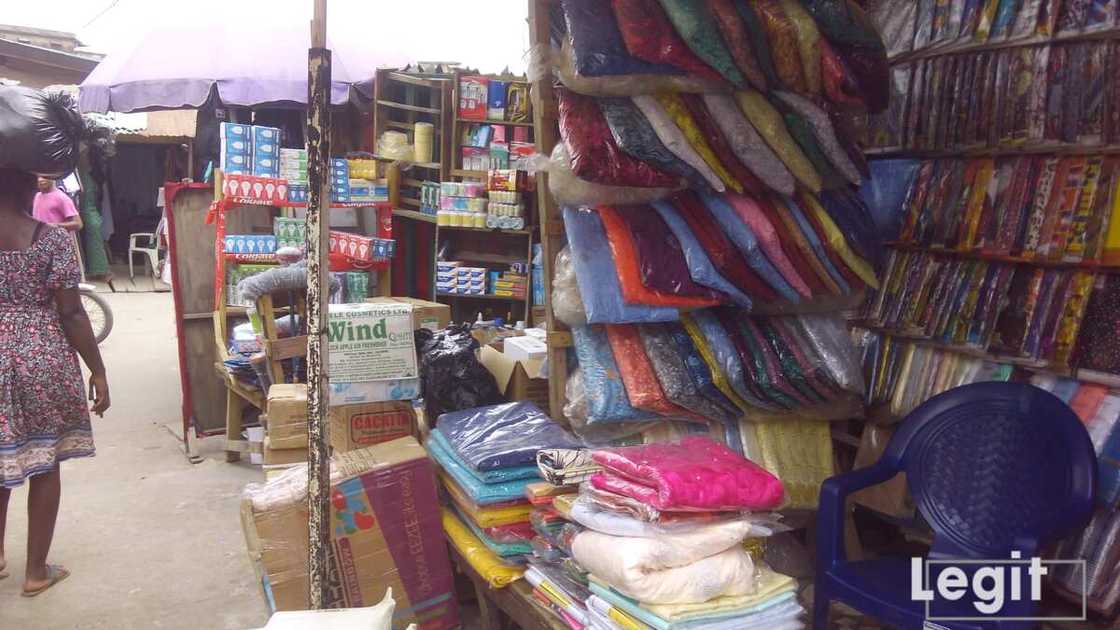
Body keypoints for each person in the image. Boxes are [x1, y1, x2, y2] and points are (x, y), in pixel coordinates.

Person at [0, 167, 110, 597]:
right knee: (44, 463)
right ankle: (35, 572)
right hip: (40, 356)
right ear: (26, 187)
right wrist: (97, 370)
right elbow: (71, 312)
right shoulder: (51, 239)